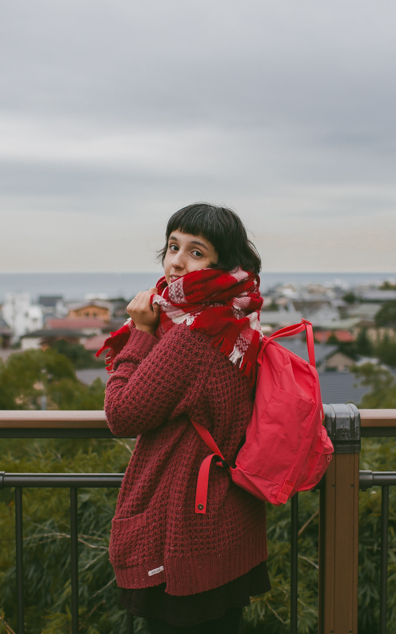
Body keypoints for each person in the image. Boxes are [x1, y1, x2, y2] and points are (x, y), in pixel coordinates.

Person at [99, 203, 270, 633]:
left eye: (196, 252)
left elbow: (121, 414)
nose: (176, 261)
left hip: (184, 529)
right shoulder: (238, 319)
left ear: (221, 265)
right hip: (229, 518)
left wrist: (139, 336)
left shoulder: (192, 336)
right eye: (173, 246)